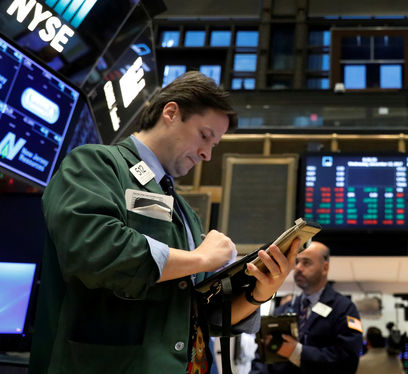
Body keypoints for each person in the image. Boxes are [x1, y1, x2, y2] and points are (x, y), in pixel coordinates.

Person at [30, 71, 301, 374]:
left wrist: (260, 291)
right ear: (171, 112)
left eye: (215, 144)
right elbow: (94, 250)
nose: (207, 154)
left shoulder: (186, 212)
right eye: (205, 136)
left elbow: (202, 314)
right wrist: (199, 258)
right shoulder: (95, 164)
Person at [250, 241, 362, 374]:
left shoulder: (344, 308)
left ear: (325, 268)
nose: (298, 268)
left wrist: (296, 352)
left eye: (306, 262)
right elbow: (262, 357)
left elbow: (348, 362)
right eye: (297, 262)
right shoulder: (283, 310)